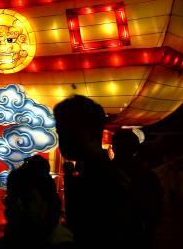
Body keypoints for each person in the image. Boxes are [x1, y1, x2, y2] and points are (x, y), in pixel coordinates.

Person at [54, 95, 133, 249]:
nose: (61, 139)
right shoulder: (93, 172)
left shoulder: (102, 179)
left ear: (86, 133)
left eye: (64, 131)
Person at [0, 156, 73, 249]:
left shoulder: (62, 243)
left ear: (46, 202)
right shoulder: (3, 243)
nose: (18, 206)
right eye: (13, 198)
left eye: (26, 199)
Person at [112, 129, 163, 248]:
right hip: (138, 232)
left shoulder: (104, 172)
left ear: (114, 148)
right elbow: (155, 209)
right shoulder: (148, 175)